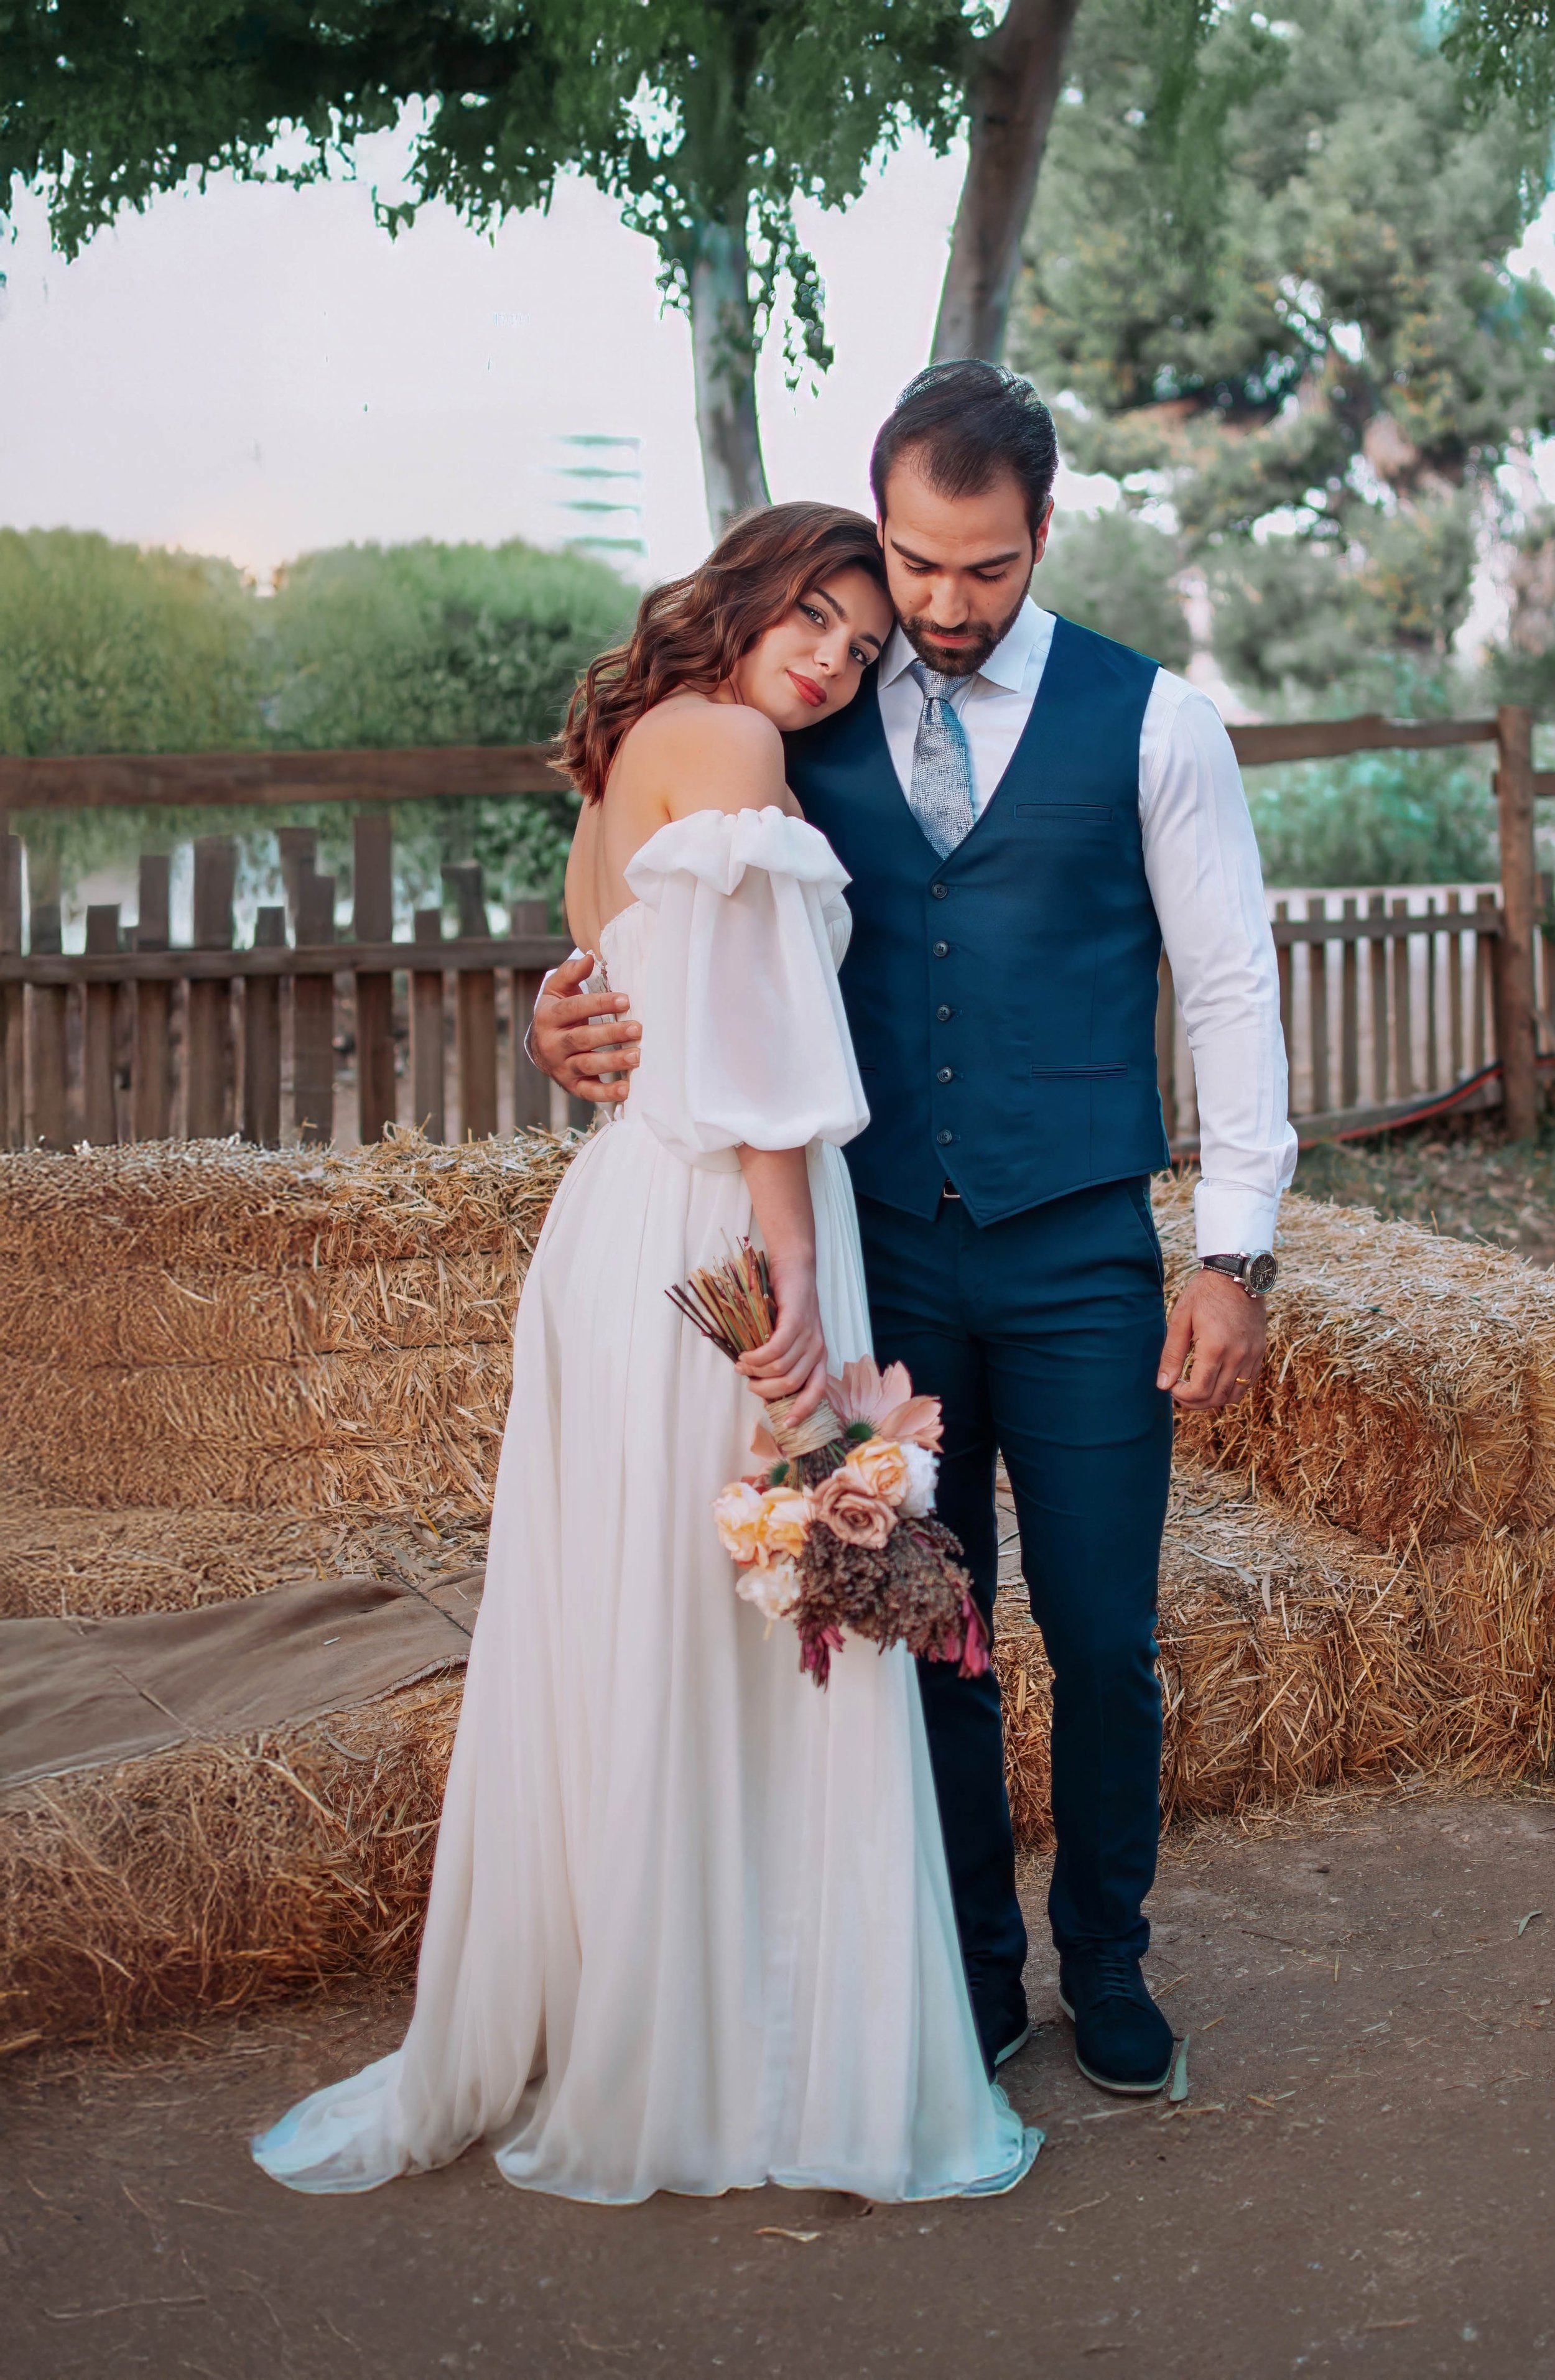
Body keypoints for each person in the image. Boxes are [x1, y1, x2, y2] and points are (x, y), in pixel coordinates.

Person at [252, 501, 1039, 2205]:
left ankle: (658, 2014)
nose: (832, 656)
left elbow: (623, 1023)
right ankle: (740, 2057)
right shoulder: (736, 742)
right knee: (747, 1618)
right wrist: (797, 1283)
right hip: (722, 1244)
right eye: (815, 613)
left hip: (616, 1230)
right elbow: (749, 1050)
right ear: (745, 594)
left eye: (860, 637)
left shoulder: (618, 769)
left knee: (658, 1623)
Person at [531, 364, 1297, 2098]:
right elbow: (661, 900)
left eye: (985, 570)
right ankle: (968, 1970)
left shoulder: (1152, 721)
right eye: (914, 564)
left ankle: (1108, 1955)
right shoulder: (792, 709)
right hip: (881, 1257)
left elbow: (1234, 987)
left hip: (1081, 1245)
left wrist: (1233, 1255)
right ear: (878, 522)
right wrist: (560, 1010)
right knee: (922, 1621)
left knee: (1101, 1631)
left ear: (1044, 532)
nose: (940, 610)